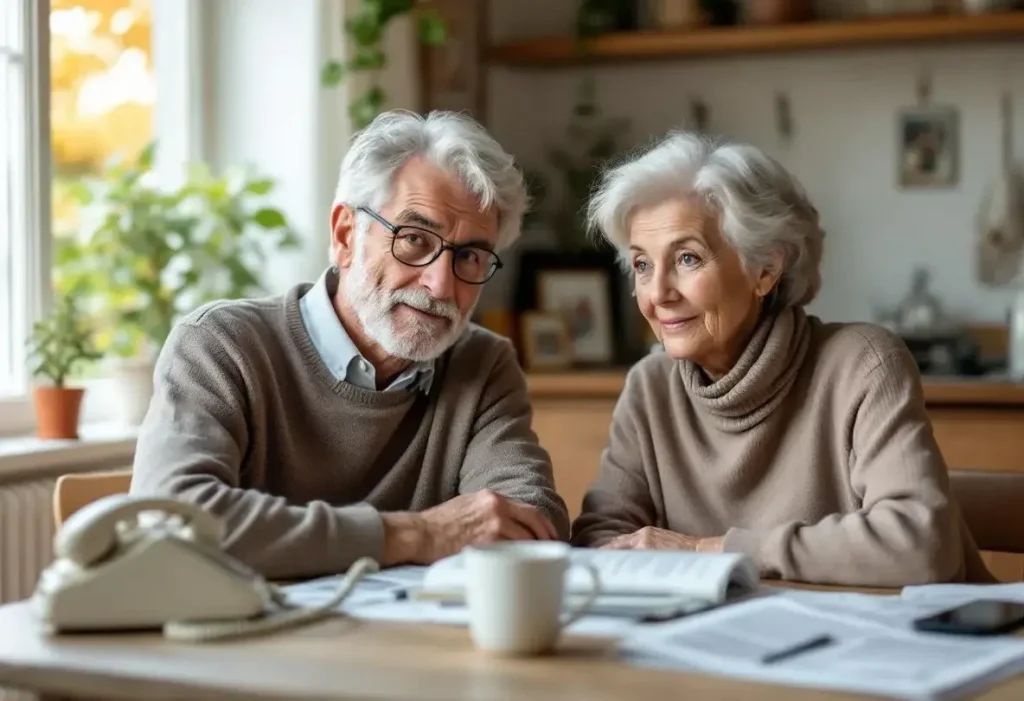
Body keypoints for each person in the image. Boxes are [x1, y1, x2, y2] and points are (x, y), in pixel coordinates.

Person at [130, 110, 569, 580]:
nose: (441, 285)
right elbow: (170, 524)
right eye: (415, 240)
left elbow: (527, 523)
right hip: (244, 648)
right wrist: (415, 535)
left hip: (409, 648)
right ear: (345, 236)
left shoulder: (481, 364)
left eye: (469, 256)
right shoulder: (222, 346)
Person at [571, 131, 992, 586]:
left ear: (765, 269)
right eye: (642, 265)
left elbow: (920, 544)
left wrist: (712, 550)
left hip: (916, 647)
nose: (657, 295)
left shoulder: (863, 365)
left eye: (687, 258)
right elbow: (601, 542)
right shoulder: (650, 387)